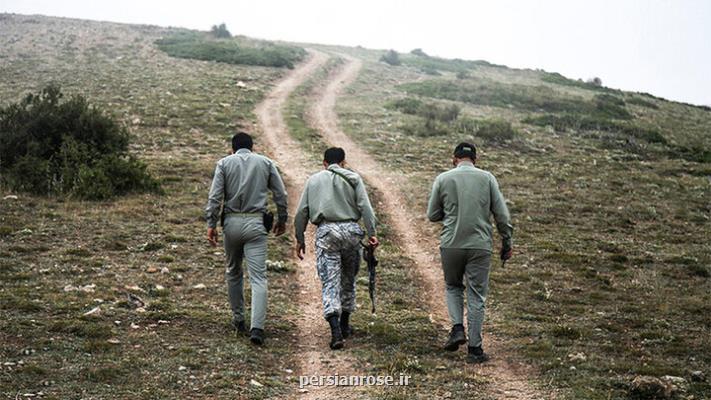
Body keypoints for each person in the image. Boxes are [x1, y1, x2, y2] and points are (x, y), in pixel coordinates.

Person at [427, 142, 513, 363]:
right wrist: (507, 241)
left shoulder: (443, 178)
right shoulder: (488, 178)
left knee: (453, 286)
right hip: (480, 245)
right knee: (476, 295)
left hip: (451, 244)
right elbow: (502, 215)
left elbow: (432, 214)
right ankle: (475, 349)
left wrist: (451, 212)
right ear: (475, 159)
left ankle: (457, 328)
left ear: (454, 158)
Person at [205, 132, 288, 345]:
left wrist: (211, 224)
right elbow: (281, 194)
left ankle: (238, 319)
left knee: (233, 271)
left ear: (232, 149)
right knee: (259, 277)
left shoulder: (224, 164)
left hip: (231, 223)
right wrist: (282, 218)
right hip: (256, 223)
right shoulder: (266, 162)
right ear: (252, 147)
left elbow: (215, 197)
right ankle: (257, 328)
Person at [294, 147, 378, 350]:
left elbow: (301, 213)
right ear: (343, 162)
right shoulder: (354, 178)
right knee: (348, 278)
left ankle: (335, 332)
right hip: (351, 231)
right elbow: (365, 207)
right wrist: (372, 232)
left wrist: (300, 238)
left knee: (330, 281)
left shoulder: (314, 180)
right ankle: (345, 323)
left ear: (324, 163)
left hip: (327, 233)